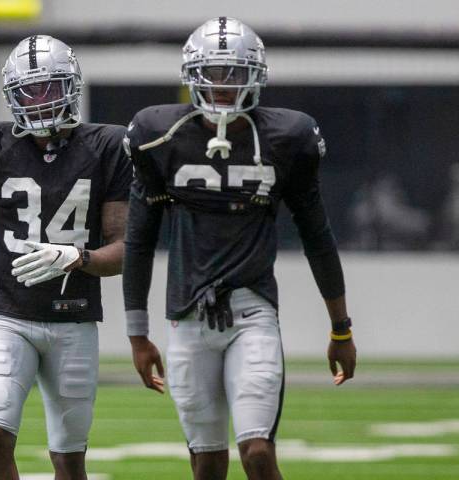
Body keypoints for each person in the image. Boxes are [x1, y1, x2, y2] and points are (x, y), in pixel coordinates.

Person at [122, 17, 357, 480]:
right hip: (187, 320)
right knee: (207, 464)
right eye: (212, 72)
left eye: (234, 72)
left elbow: (318, 237)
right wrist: (136, 334)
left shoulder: (287, 138)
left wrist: (341, 328)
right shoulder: (157, 135)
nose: (223, 85)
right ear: (192, 75)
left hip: (252, 315)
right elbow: (139, 240)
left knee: (257, 453)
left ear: (257, 76)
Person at [0, 35, 132, 480]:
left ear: (71, 87)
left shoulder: (108, 147)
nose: (38, 99)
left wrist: (76, 257)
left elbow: (127, 250)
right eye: (28, 90)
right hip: (8, 315)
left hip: (73, 319)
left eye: (49, 87)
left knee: (69, 459)